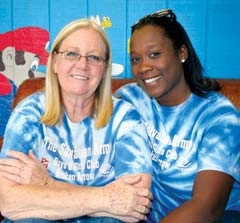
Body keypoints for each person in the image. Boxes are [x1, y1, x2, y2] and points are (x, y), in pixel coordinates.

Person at [0, 18, 153, 223]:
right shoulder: (28, 114)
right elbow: (8, 201)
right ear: (54, 62)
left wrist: (47, 185)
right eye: (71, 54)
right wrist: (106, 199)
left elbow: (134, 203)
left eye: (94, 57)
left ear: (104, 68)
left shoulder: (125, 117)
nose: (82, 65)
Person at [115, 9, 240, 223]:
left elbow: (207, 208)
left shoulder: (219, 117)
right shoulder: (130, 98)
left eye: (154, 54)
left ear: (181, 53)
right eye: (136, 59)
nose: (144, 67)